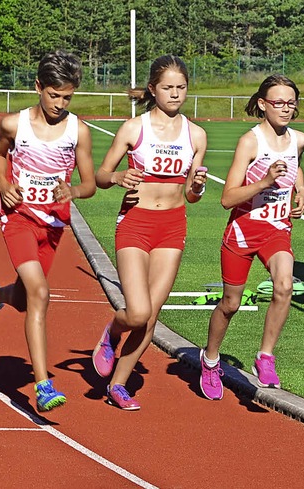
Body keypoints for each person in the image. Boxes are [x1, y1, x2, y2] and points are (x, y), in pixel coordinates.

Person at [0, 50, 96, 412]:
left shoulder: (78, 131)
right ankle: (43, 384)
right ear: (38, 87)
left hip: (54, 224)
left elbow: (89, 183)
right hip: (19, 218)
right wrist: (3, 182)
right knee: (41, 293)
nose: (60, 103)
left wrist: (72, 190)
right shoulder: (15, 125)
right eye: (54, 95)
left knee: (27, 298)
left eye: (67, 97)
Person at [92, 55, 208, 410]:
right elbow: (101, 176)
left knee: (152, 316)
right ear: (153, 90)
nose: (175, 94)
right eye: (168, 87)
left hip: (172, 226)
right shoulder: (133, 128)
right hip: (136, 223)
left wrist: (198, 187)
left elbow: (190, 193)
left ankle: (118, 385)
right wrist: (117, 178)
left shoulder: (196, 135)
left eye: (181, 87)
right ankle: (112, 332)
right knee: (138, 312)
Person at [199, 74, 304, 400]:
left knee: (284, 285)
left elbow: (295, 164)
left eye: (291, 103)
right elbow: (227, 198)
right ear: (262, 104)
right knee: (230, 304)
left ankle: (266, 356)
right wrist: (263, 183)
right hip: (244, 231)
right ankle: (210, 359)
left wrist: (300, 191)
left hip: (276, 230)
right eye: (278, 103)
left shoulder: (299, 139)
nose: (285, 109)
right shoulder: (251, 142)